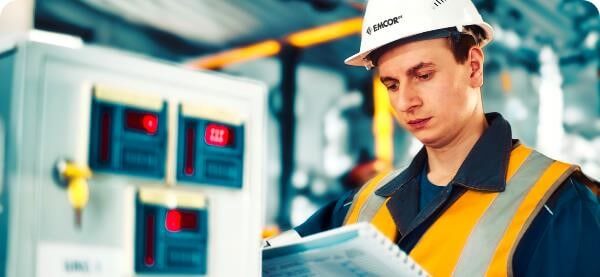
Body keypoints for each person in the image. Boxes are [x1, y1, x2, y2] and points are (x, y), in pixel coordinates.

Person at [266, 0, 600, 276]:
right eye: (392, 84)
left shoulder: (561, 204)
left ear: (473, 67)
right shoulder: (359, 204)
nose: (404, 102)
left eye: (423, 75)